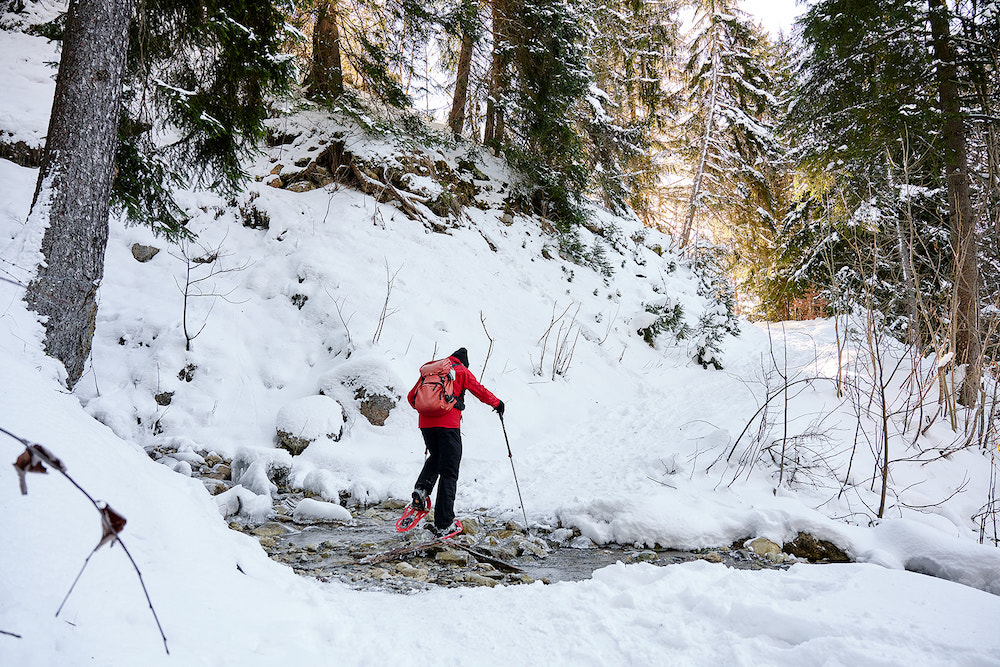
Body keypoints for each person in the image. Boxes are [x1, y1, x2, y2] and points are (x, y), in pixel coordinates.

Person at [407, 347, 504, 536]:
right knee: (449, 472)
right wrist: (498, 403)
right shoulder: (461, 371)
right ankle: (444, 523)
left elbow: (412, 398)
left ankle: (422, 489)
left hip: (425, 425)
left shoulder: (431, 372)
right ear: (464, 362)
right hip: (449, 426)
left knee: (436, 456)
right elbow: (480, 391)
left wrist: (429, 411)